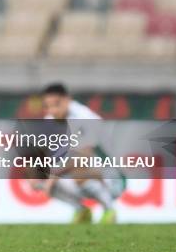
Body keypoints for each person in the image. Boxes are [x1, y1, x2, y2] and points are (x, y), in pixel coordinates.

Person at [39, 83, 124, 224]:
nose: (52, 110)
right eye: (48, 106)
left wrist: (52, 178)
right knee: (34, 174)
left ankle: (109, 209)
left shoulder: (83, 116)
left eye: (56, 105)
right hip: (80, 174)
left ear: (67, 100)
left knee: (79, 170)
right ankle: (81, 210)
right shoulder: (50, 120)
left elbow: (85, 156)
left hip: (112, 177)